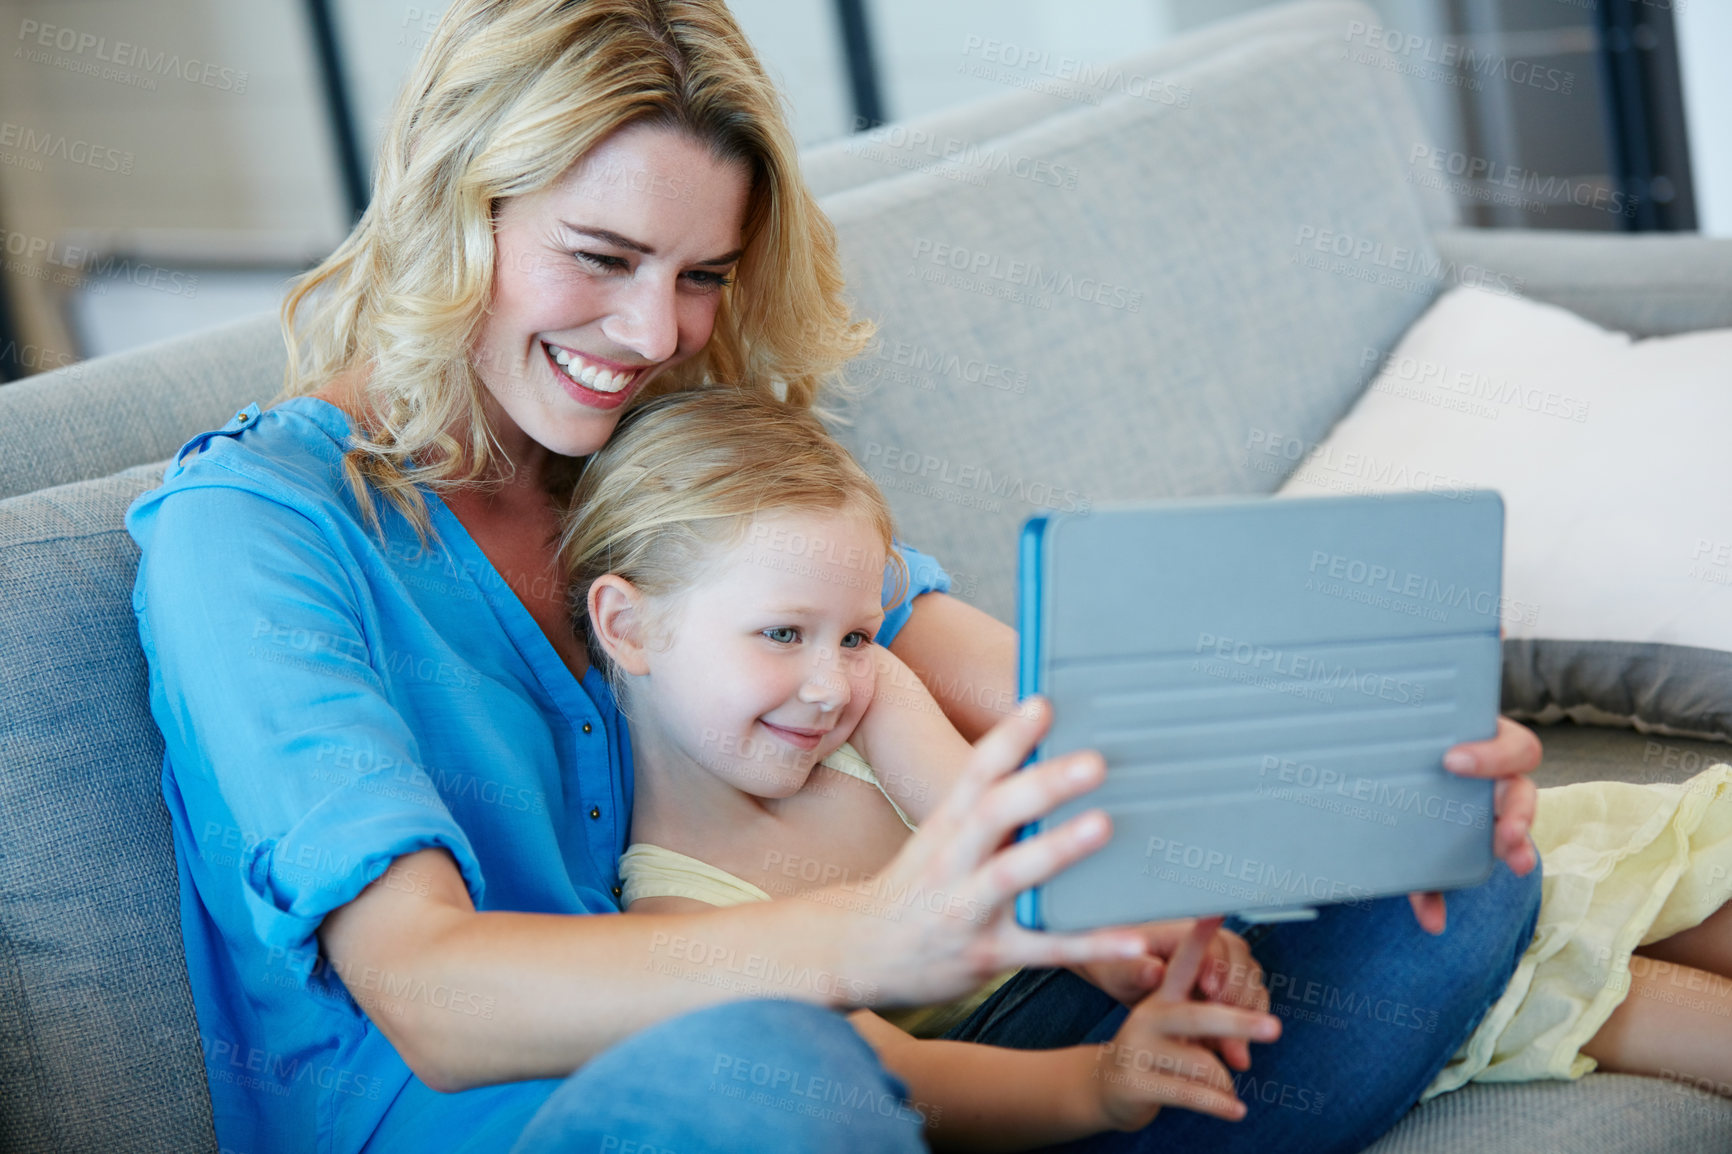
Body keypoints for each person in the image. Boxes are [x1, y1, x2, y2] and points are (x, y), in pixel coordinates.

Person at [124, 2, 1556, 1151]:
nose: (649, 330)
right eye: (602, 256)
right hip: (576, 1110)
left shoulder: (653, 447)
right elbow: (428, 991)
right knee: (771, 1073)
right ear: (454, 208)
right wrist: (869, 934)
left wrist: (1342, 771)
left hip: (871, 1074)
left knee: (1445, 874)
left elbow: (1017, 686)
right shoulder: (254, 530)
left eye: (699, 276)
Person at [561, 387, 1732, 1149]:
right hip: (1041, 1093)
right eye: (780, 634)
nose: (828, 679)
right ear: (627, 625)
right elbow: (900, 1080)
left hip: (1100, 1003)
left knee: (1443, 824)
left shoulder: (867, 699)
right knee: (1451, 869)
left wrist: (1154, 943)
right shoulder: (677, 911)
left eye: (855, 630)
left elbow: (1051, 839)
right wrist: (1103, 1081)